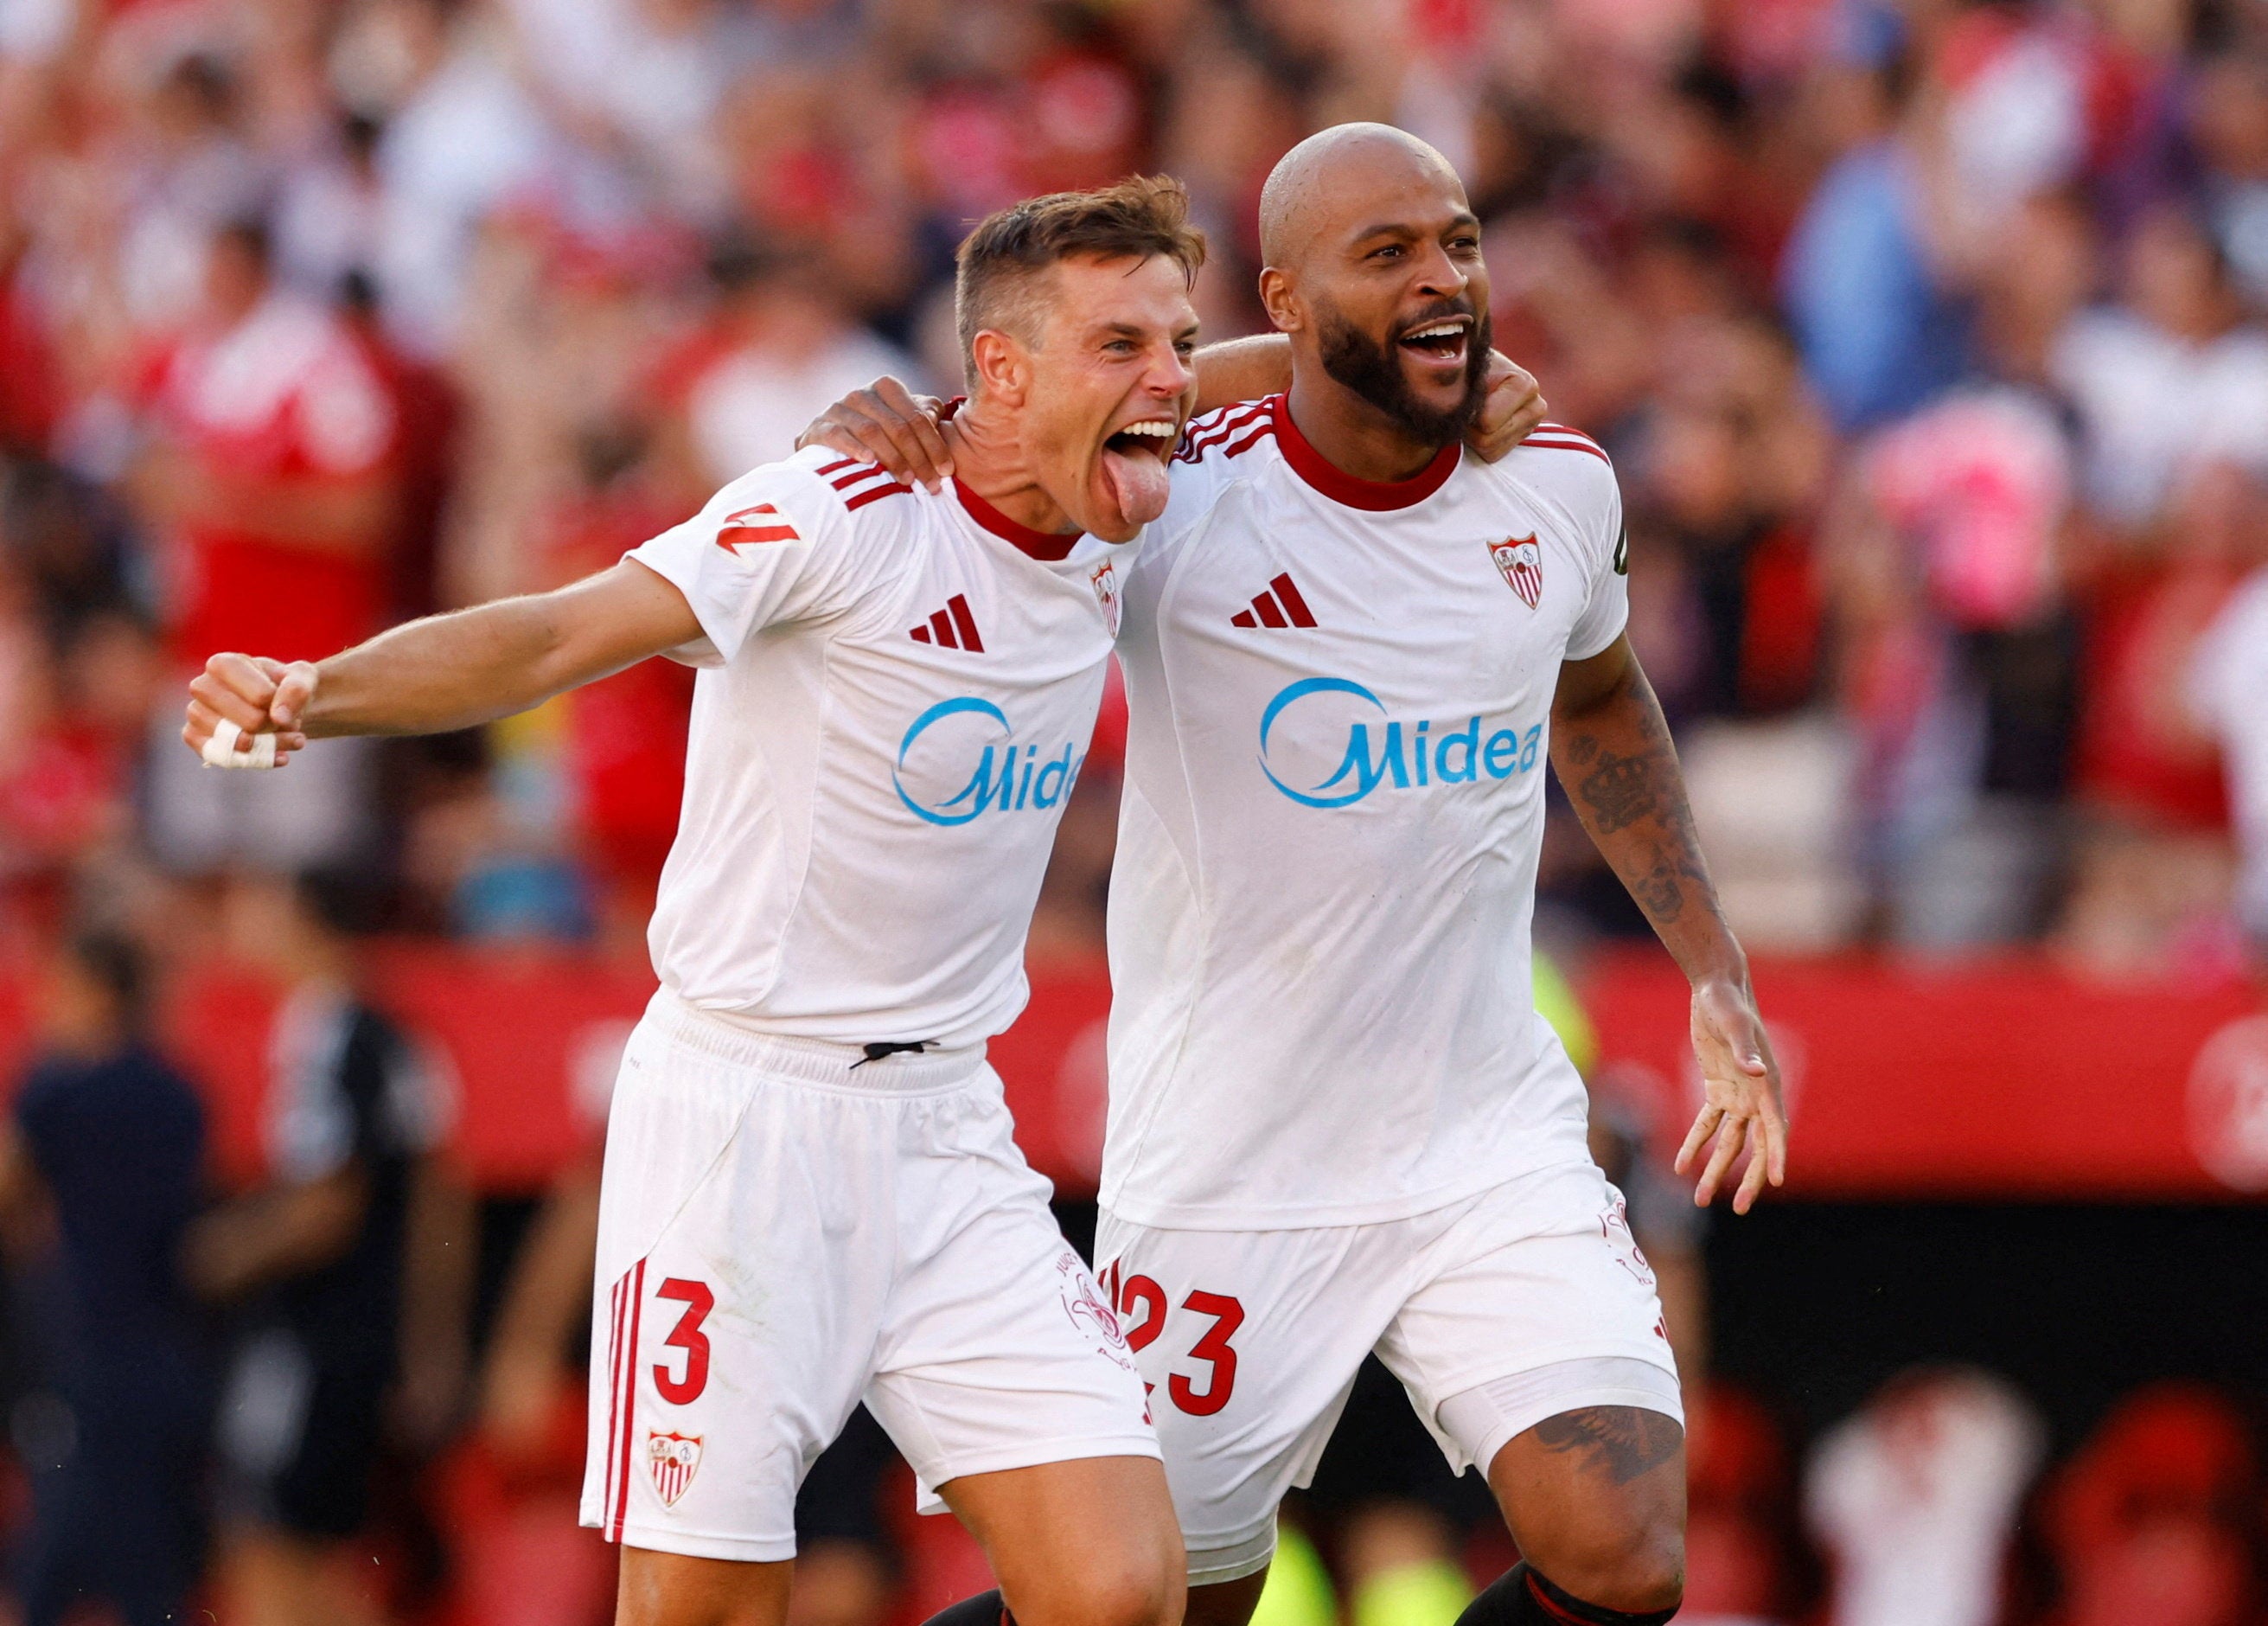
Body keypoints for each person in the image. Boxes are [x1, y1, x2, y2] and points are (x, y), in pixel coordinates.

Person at [181, 176, 1211, 1626]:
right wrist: (316, 694)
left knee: (1120, 1589)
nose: (1169, 378)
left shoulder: (1120, 496)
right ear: (1002, 370)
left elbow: (1273, 372)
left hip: (949, 1128)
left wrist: (1470, 376)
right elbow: (555, 634)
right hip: (744, 1122)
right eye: (1122, 344)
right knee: (706, 1610)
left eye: (1180, 342)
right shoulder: (842, 511)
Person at [806, 125, 1788, 1626]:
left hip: (1483, 1138)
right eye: (1385, 256)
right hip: (1228, 1164)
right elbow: (1005, 461)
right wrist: (879, 434)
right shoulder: (1178, 499)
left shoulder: (1555, 485)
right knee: (1144, 1607)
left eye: (1456, 244)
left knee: (1625, 1550)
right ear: (1282, 297)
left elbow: (1597, 700)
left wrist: (1711, 969)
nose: (1442, 276)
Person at [185, 870, 470, 1623]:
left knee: (266, 1541)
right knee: (323, 1551)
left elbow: (325, 1208)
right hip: (364, 1333)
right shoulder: (396, 1034)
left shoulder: (324, 1033)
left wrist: (217, 1256)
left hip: (310, 1334)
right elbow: (440, 1194)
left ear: (305, 921)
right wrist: (430, 1342)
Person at [0, 931, 207, 1626]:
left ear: (99, 995)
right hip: (167, 1345)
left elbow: (9, 1190)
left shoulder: (56, 1089)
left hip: (83, 1347)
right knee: (150, 1572)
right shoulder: (178, 1093)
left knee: (45, 1569)